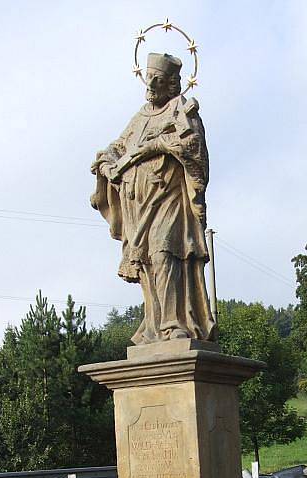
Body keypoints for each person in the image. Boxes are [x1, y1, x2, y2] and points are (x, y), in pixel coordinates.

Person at [91, 52, 217, 345]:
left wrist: (157, 145)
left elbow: (192, 147)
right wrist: (107, 162)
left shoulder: (182, 111)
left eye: (157, 79)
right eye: (148, 77)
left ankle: (175, 324)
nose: (150, 84)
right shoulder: (140, 116)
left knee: (165, 254)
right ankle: (155, 325)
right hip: (138, 204)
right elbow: (118, 146)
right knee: (147, 262)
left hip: (169, 199)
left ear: (171, 84)